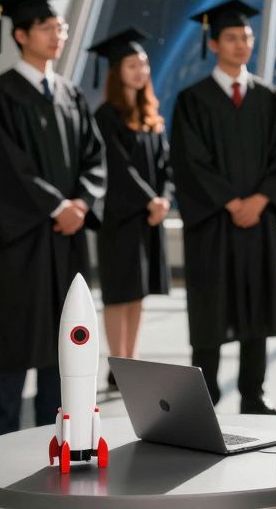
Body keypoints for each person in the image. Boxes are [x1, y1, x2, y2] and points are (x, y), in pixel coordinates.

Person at [0, 0, 105, 437]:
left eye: (60, 26)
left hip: (66, 243)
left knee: (64, 345)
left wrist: (81, 202)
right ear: (21, 34)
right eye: (46, 27)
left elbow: (94, 156)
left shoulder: (71, 94)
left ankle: (56, 444)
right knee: (14, 345)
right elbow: (2, 170)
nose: (57, 34)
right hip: (20, 245)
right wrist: (56, 206)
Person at [169, 0, 276, 414]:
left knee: (255, 305)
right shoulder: (193, 100)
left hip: (256, 222)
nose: (241, 44)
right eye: (231, 37)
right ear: (213, 44)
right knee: (210, 308)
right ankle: (203, 398)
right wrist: (229, 201)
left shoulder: (268, 97)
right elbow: (189, 161)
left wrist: (259, 200)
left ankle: (253, 395)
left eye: (246, 37)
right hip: (212, 223)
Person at [87, 28, 172, 390]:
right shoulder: (107, 116)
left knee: (138, 293)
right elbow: (118, 167)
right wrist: (149, 200)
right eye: (132, 65)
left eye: (144, 64)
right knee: (119, 293)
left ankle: (132, 359)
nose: (141, 71)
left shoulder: (151, 116)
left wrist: (165, 197)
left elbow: (167, 164)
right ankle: (117, 362)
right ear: (117, 71)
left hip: (149, 218)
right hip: (120, 218)